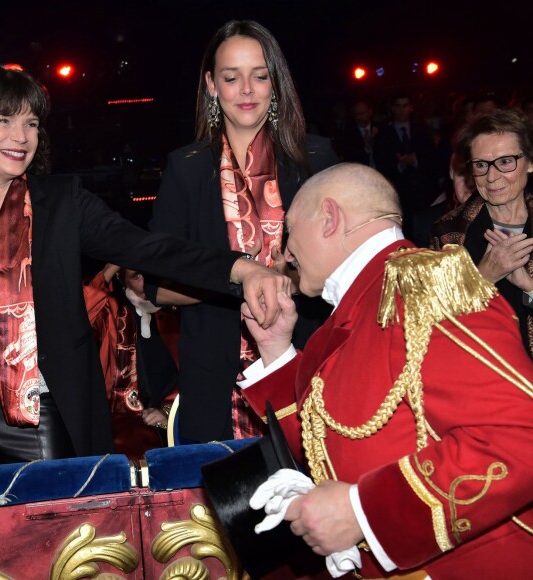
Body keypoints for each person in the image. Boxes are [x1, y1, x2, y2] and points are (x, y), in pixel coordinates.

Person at [0, 64, 289, 469]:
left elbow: (150, 248)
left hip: (43, 413)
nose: (20, 137)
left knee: (57, 529)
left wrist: (241, 269)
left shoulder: (62, 204)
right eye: (4, 120)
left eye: (31, 123)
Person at [237, 163, 533, 578]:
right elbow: (331, 443)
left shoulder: (428, 284)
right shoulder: (348, 315)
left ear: (329, 217)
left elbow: (520, 436)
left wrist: (364, 510)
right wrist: (275, 351)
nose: (284, 252)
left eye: (289, 230)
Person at [146, 20, 338, 443]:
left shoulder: (314, 156)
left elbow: (341, 266)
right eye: (232, 78)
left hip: (308, 359)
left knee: (311, 497)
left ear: (276, 83)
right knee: (227, 504)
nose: (246, 90)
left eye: (259, 76)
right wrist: (247, 279)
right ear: (212, 85)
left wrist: (253, 279)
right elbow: (156, 285)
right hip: (215, 369)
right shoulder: (188, 166)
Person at [431, 109, 533, 357]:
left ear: (530, 163)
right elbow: (437, 321)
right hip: (487, 372)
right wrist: (485, 275)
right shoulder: (450, 232)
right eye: (481, 165)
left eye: (506, 162)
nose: (492, 176)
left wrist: (529, 286)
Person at [83, 264, 178, 457]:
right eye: (135, 276)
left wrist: (168, 412)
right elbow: (80, 311)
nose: (145, 283)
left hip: (178, 412)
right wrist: (116, 261)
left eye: (148, 274)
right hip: (124, 419)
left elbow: (198, 375)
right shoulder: (111, 311)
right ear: (122, 279)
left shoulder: (179, 308)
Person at [374, 93, 441, 236]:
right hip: (399, 193)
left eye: (405, 106)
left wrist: (415, 161)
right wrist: (400, 165)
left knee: (426, 231)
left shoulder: (422, 130)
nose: (401, 110)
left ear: (410, 108)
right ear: (392, 108)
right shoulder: (384, 134)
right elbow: (381, 164)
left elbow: (432, 160)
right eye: (398, 106)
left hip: (423, 193)